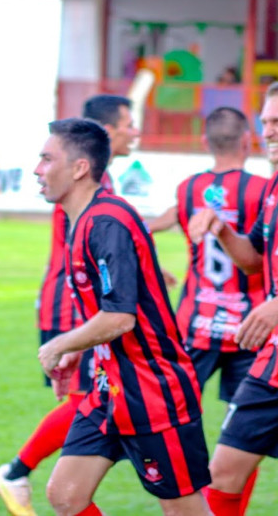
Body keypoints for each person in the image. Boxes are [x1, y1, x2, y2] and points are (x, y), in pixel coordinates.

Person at [35, 118, 211, 516]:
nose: (37, 169)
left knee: (184, 510)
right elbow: (108, 310)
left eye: (46, 159)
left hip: (152, 390)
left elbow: (120, 318)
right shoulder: (84, 221)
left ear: (79, 168)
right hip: (109, 388)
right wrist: (78, 350)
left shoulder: (107, 222)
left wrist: (59, 344)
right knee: (66, 495)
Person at [0, 94, 139, 516]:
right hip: (73, 308)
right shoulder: (84, 188)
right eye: (128, 124)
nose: (134, 132)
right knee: (91, 400)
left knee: (96, 400)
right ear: (104, 133)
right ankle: (16, 471)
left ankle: (20, 473)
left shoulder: (100, 189)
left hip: (79, 305)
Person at [188, 81, 278, 515]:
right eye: (265, 122)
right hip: (271, 363)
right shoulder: (273, 188)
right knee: (223, 473)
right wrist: (222, 229)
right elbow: (254, 261)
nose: (268, 131)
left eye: (277, 122)